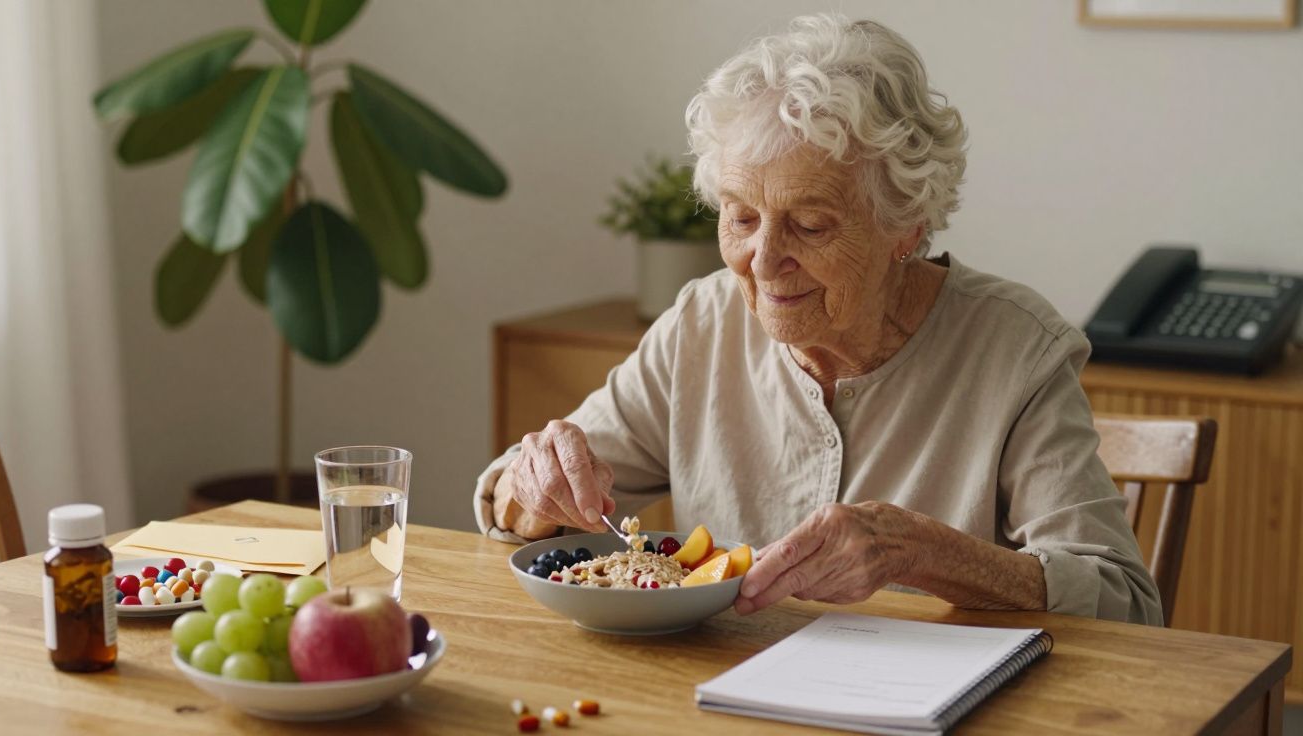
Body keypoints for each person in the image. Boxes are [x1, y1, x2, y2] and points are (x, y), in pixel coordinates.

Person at [474, 14, 1161, 624]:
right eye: (740, 217)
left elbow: (1122, 599)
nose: (764, 260)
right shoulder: (702, 323)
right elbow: (514, 506)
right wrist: (531, 491)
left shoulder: (1015, 350)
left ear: (905, 225)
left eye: (809, 224)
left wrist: (920, 552)